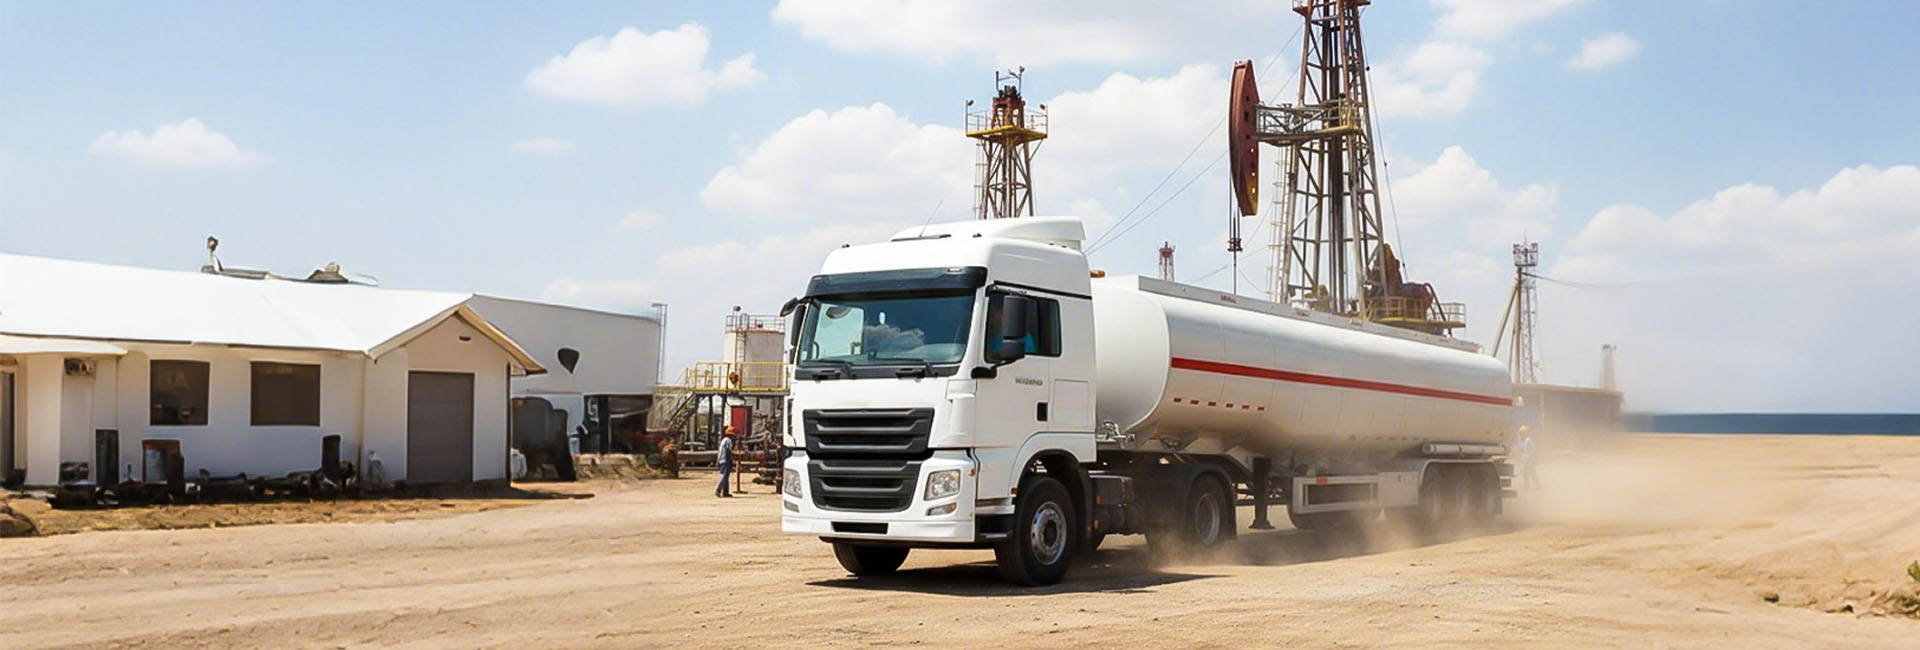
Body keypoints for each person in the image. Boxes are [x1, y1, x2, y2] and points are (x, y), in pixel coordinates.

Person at [715, 427, 737, 498]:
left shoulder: (723, 440)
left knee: (725, 477)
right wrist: (733, 457)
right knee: (724, 477)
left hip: (722, 460)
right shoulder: (728, 441)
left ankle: (725, 492)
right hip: (726, 461)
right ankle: (718, 490)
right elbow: (728, 451)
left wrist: (717, 461)